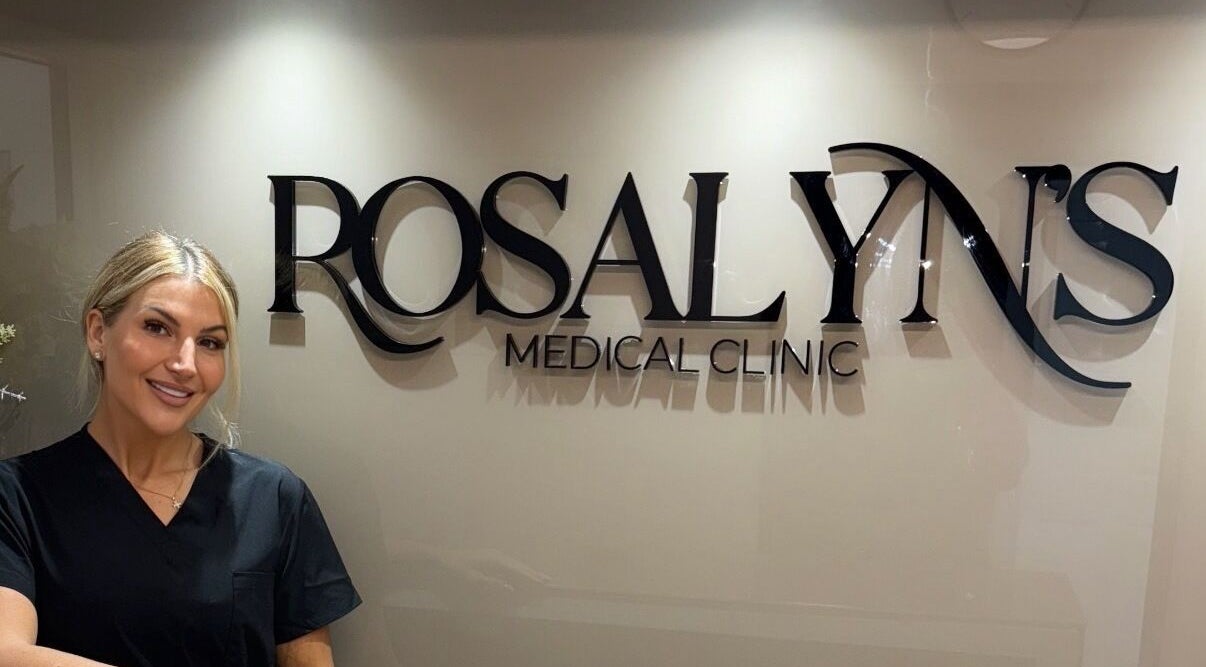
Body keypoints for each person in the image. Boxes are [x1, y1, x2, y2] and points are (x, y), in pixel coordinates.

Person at [0, 231, 361, 667]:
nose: (185, 364)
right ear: (98, 333)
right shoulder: (17, 497)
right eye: (157, 328)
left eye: (210, 342)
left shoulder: (273, 498)